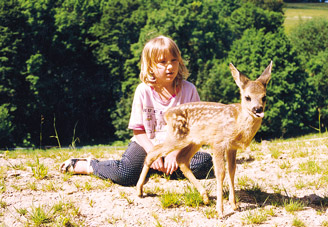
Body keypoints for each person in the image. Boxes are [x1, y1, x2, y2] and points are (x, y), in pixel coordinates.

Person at [60, 35, 213, 186]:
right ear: (150, 66)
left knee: (205, 164)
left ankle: (155, 167)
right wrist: (153, 153)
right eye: (162, 62)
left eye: (174, 60)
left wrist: (175, 154)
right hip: (146, 144)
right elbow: (138, 131)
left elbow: (195, 130)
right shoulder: (143, 91)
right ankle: (90, 165)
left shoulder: (189, 90)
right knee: (125, 174)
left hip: (178, 146)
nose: (170, 66)